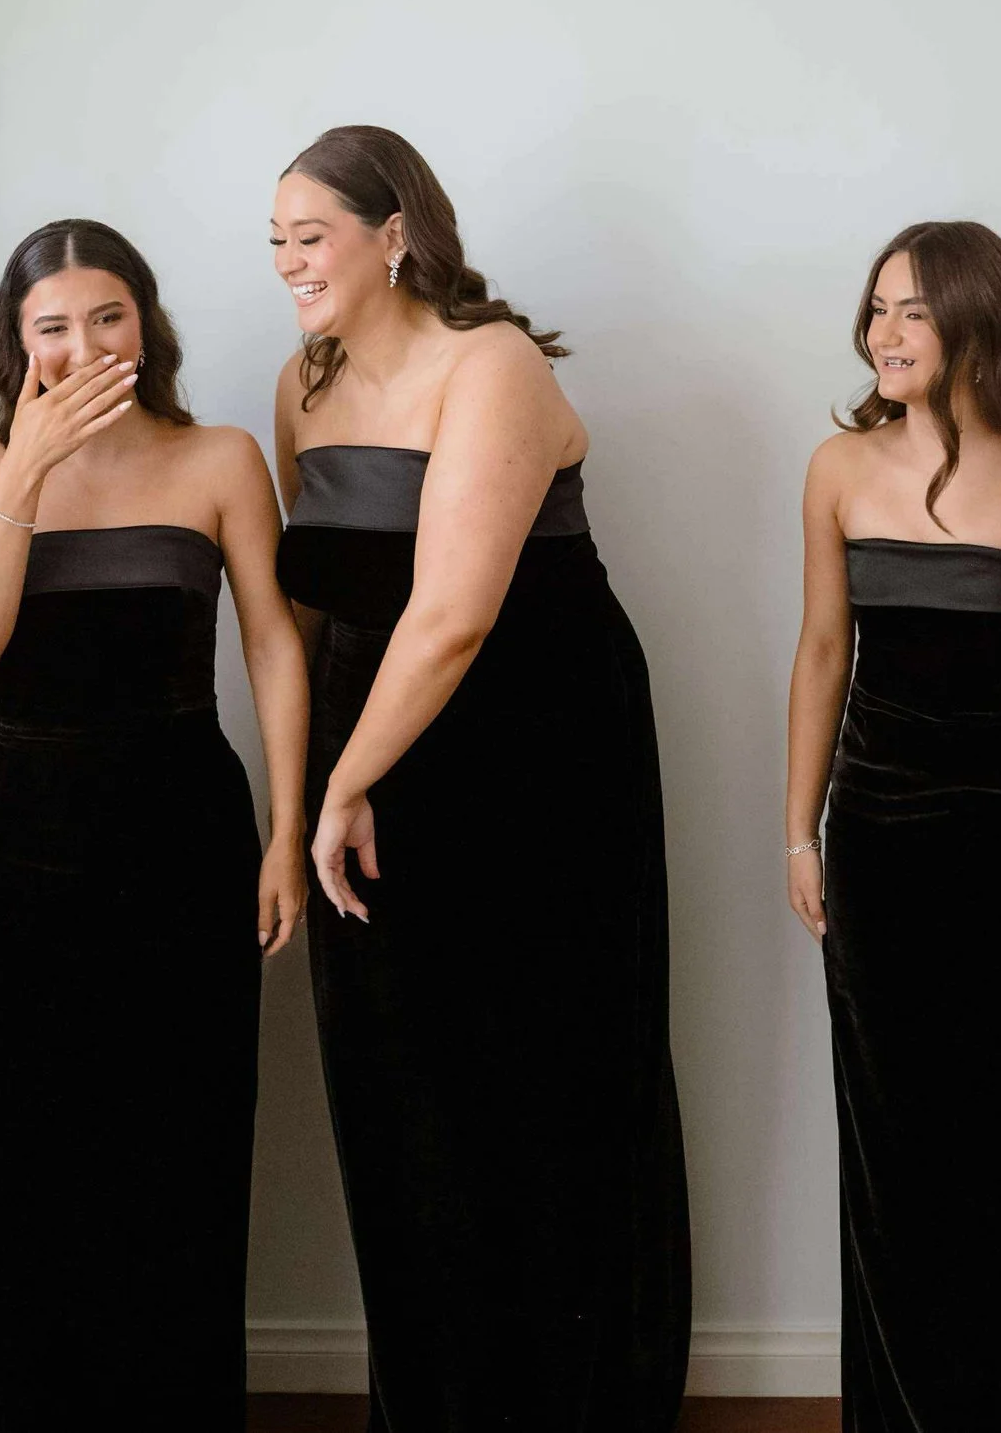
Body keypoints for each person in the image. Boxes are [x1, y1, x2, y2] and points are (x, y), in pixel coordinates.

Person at [270, 125, 691, 1427]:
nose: (290, 262)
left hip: (534, 762)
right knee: (399, 1094)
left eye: (313, 235)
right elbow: (316, 606)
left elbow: (451, 612)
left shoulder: (489, 364)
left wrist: (335, 789)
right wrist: (318, 792)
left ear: (394, 233)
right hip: (375, 754)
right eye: (274, 241)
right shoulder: (302, 384)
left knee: (535, 1091)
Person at [0, 219, 309, 1427]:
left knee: (173, 1159)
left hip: (181, 831)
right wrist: (27, 469)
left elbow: (273, 644)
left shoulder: (220, 456)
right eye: (53, 326)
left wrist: (286, 826)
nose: (84, 343)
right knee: (10, 1165)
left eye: (108, 316)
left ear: (146, 324)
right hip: (15, 846)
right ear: (16, 343)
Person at [784, 220, 1001, 1431]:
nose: (882, 332)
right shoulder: (837, 467)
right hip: (873, 835)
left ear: (978, 319)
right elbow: (822, 652)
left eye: (911, 310)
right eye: (875, 308)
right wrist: (795, 832)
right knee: (892, 1145)